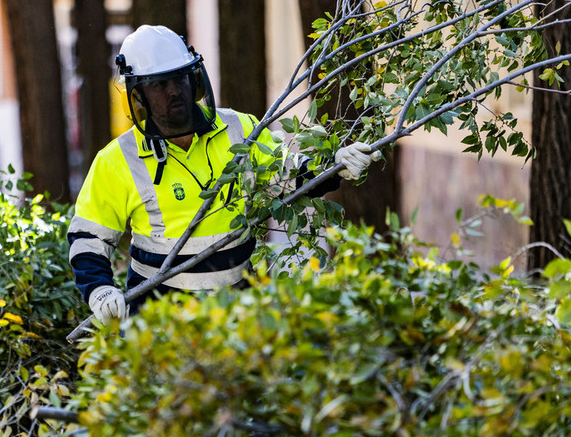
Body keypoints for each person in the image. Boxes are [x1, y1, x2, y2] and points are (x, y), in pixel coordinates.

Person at [68, 24, 379, 325]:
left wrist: (334, 166)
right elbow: (89, 237)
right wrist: (99, 290)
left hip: (236, 309)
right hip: (157, 317)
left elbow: (286, 174)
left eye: (181, 79)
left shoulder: (237, 129)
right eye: (159, 85)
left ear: (196, 79)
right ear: (137, 97)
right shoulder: (118, 159)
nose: (175, 91)